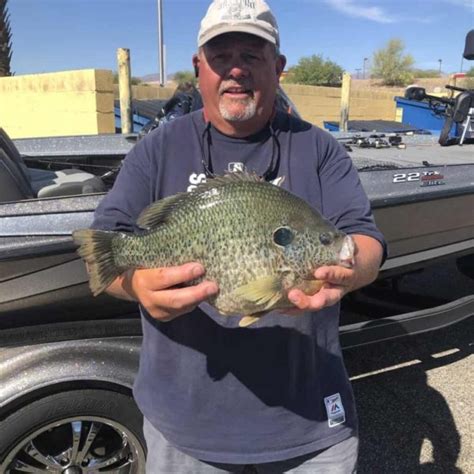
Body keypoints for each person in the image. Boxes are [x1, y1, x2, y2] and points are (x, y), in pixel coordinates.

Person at [91, 0, 386, 472]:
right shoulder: (157, 149)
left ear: (278, 67)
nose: (236, 70)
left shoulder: (319, 148)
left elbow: (363, 241)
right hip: (183, 430)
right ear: (199, 68)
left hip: (310, 428)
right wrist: (136, 287)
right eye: (220, 56)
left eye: (251, 56)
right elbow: (105, 249)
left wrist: (348, 272)